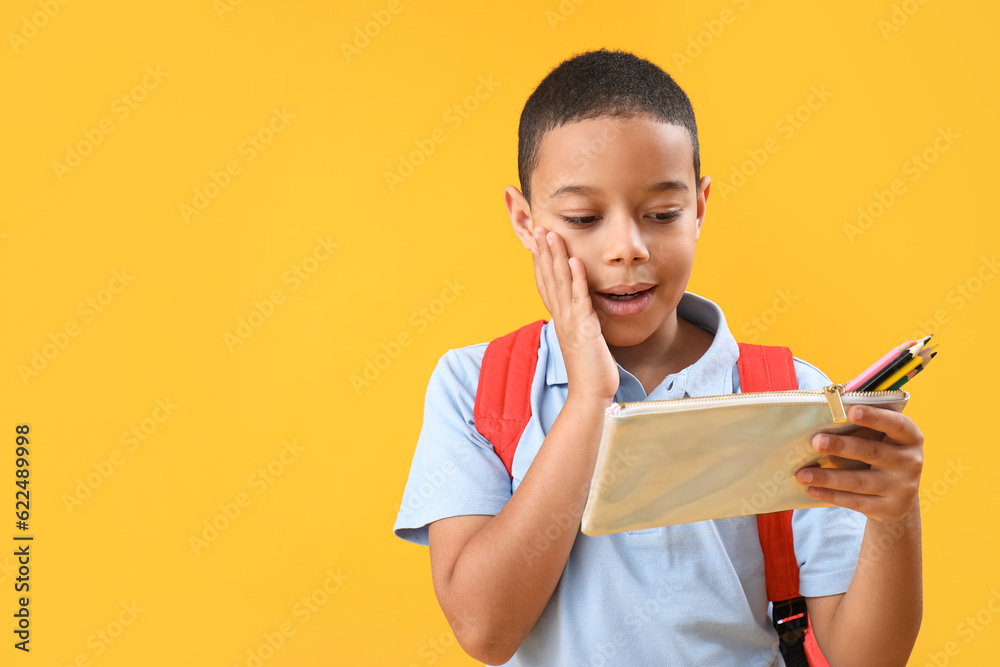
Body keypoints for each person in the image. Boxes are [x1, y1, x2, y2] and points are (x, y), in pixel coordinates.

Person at [392, 48, 923, 666]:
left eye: (662, 214)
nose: (627, 248)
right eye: (584, 218)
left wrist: (895, 518)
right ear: (524, 218)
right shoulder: (475, 386)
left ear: (698, 208)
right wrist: (589, 398)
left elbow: (868, 659)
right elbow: (485, 630)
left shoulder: (790, 394)